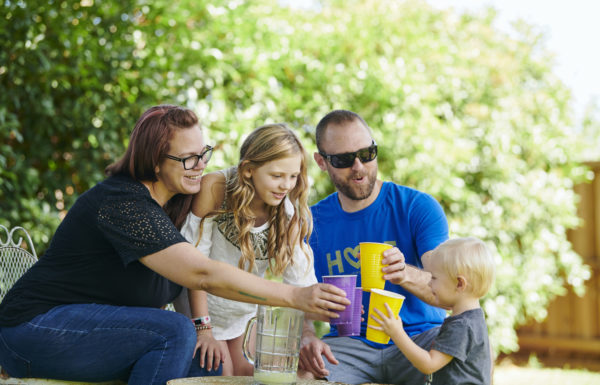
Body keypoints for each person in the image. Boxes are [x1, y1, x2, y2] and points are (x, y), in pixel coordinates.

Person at [0, 105, 350, 385]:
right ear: (154, 161)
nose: (200, 167)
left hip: (94, 335)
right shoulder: (123, 202)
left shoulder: (179, 203)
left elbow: (238, 186)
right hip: (34, 330)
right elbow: (201, 273)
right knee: (173, 331)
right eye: (188, 159)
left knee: (207, 367)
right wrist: (292, 297)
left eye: (203, 154)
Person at [299, 109, 449, 385]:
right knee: (305, 372)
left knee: (467, 345)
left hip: (420, 335)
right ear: (321, 162)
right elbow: (296, 297)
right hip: (349, 341)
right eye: (344, 159)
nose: (358, 166)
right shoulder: (310, 223)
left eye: (366, 154)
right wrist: (307, 335)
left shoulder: (417, 207)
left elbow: (448, 289)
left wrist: (404, 273)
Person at [178, 123, 317, 375]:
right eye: (277, 176)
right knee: (223, 374)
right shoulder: (216, 189)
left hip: (241, 315)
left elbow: (301, 286)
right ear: (249, 169)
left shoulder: (287, 215)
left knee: (272, 374)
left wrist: (312, 332)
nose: (286, 185)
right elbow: (193, 266)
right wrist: (203, 329)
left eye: (293, 176)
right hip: (200, 308)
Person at [369, 237, 495, 385]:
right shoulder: (472, 319)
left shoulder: (461, 326)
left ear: (459, 284)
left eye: (434, 278)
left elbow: (428, 365)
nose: (428, 283)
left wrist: (397, 333)